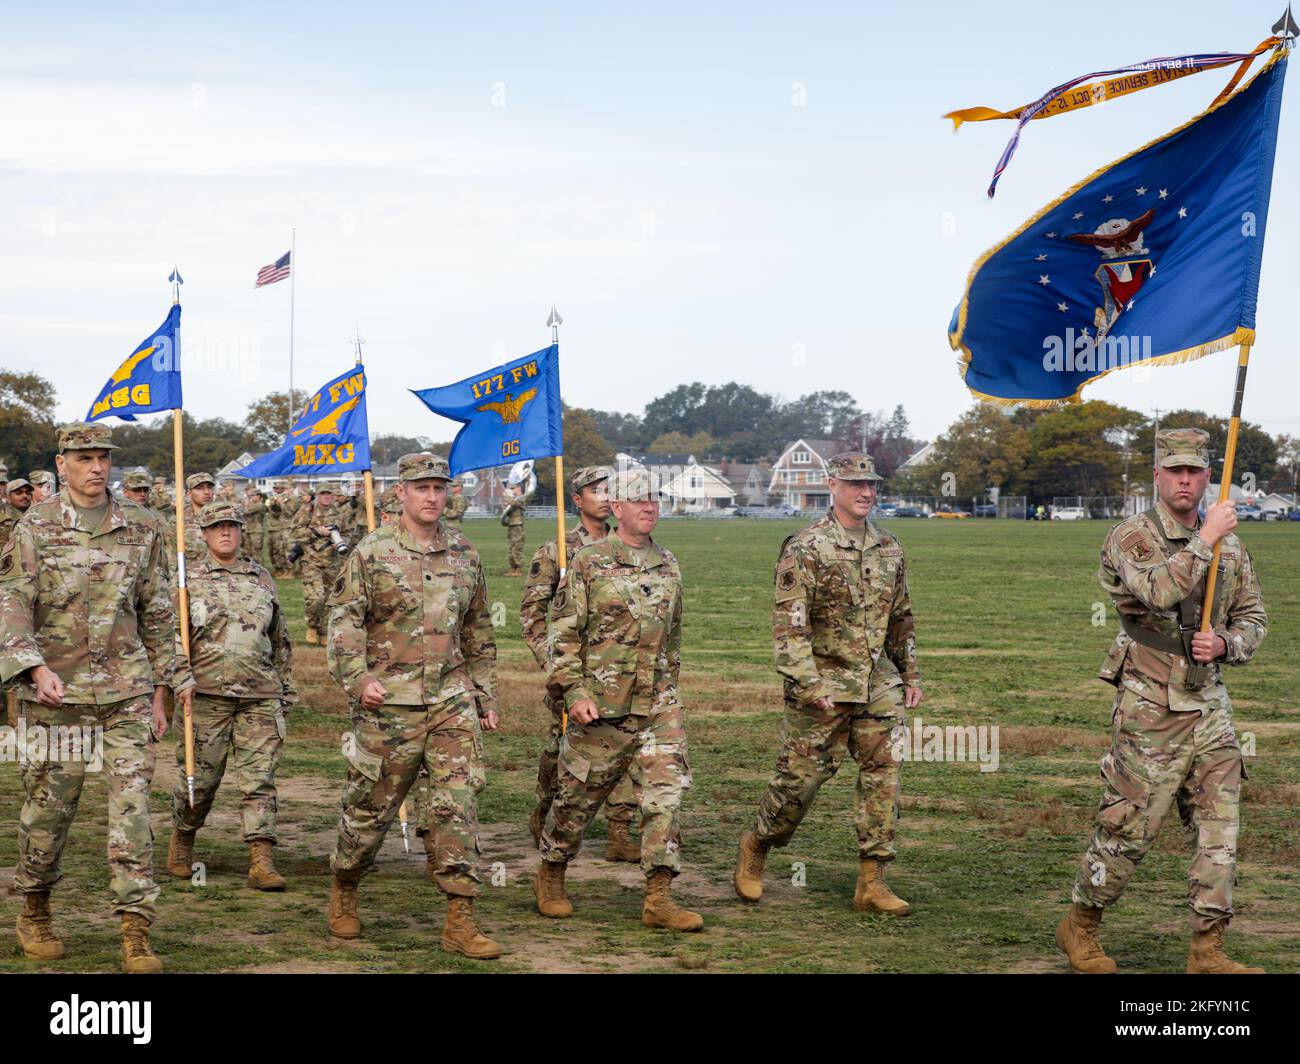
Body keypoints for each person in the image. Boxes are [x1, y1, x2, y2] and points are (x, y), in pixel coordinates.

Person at [1057, 428, 1268, 975]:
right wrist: (1206, 540)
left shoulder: (1232, 546)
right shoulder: (1133, 536)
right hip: (1150, 706)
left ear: (1206, 477)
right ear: (1157, 476)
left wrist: (1226, 642)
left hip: (1210, 706)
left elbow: (1253, 615)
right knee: (1130, 827)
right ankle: (1081, 922)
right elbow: (1156, 590)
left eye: (1194, 471)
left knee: (1219, 830)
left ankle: (1208, 948)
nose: (1184, 480)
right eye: (1174, 470)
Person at [0, 422, 191, 973]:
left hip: (127, 691)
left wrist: (164, 686)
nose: (96, 467)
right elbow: (11, 600)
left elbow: (156, 611)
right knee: (48, 813)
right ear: (61, 464)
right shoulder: (33, 526)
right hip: (56, 695)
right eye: (84, 458)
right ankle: (35, 908)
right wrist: (32, 666)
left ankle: (136, 930)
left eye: (103, 457)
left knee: (133, 812)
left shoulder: (143, 526)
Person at [325, 452, 501, 959]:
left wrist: (483, 694)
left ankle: (461, 918)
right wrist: (357, 680)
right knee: (370, 810)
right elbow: (345, 621)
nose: (431, 496)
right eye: (421, 487)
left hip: (450, 702)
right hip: (389, 707)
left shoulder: (465, 553)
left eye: (439, 488)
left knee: (458, 804)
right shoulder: (372, 551)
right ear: (399, 493)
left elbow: (480, 630)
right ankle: (346, 884)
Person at [734, 452, 921, 915]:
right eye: (856, 484)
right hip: (823, 686)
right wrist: (808, 683)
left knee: (884, 778)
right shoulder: (806, 547)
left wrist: (910, 673)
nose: (866, 492)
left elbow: (900, 617)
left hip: (878, 684)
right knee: (800, 781)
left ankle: (872, 880)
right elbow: (790, 627)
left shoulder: (891, 548)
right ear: (831, 485)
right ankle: (758, 843)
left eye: (872, 485)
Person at [534, 468, 702, 932]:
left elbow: (675, 635)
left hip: (658, 704)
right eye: (638, 499)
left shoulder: (668, 563)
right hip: (601, 706)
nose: (649, 507)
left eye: (655, 499)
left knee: (664, 797)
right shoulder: (589, 561)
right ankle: (551, 871)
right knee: (576, 801)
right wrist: (574, 691)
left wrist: (670, 687)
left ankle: (659, 897)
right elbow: (562, 634)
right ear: (618, 507)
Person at [165, 500, 297, 891]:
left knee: (259, 780)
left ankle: (261, 859)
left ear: (242, 531)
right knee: (200, 780)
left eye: (232, 526)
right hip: (204, 696)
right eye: (217, 526)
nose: (226, 532)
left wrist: (285, 689)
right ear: (204, 534)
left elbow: (281, 638)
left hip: (260, 695)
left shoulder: (261, 577)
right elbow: (171, 637)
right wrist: (179, 679)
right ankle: (183, 840)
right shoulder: (188, 581)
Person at [520, 464, 638, 858]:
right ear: (577, 500)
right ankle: (547, 810)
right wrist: (553, 665)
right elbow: (532, 616)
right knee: (565, 750)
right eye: (596, 490)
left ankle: (620, 831)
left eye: (611, 489)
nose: (605, 497)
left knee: (627, 748)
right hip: (573, 673)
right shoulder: (557, 550)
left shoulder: (630, 545)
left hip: (621, 672)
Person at [293, 480, 351, 645]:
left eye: (329, 493)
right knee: (316, 597)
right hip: (311, 560)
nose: (326, 497)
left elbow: (348, 532)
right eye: (323, 494)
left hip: (332, 562)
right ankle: (312, 625)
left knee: (329, 599)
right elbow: (295, 532)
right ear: (317, 495)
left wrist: (342, 541)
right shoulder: (307, 511)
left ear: (333, 495)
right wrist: (317, 532)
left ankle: (324, 631)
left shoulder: (340, 513)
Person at [501, 483, 529, 575]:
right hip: (511, 523)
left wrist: (506, 497)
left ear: (519, 488)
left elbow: (515, 503)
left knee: (517, 546)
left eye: (514, 488)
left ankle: (518, 568)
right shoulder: (513, 499)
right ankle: (513, 567)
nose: (512, 490)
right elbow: (509, 510)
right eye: (511, 488)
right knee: (511, 547)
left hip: (517, 524)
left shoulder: (522, 497)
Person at [242, 484, 267, 565]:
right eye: (251, 495)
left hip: (256, 531)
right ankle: (249, 569)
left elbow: (245, 511)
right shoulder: (251, 504)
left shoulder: (260, 505)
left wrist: (246, 504)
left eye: (253, 495)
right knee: (247, 551)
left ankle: (260, 570)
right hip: (248, 529)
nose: (251, 497)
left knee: (256, 552)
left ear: (259, 496)